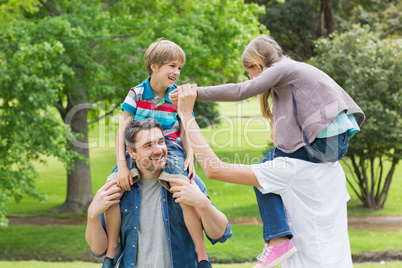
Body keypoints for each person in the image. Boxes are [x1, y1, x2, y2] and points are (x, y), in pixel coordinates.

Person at [170, 35, 364, 268]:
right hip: (333, 148)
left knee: (263, 170)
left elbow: (214, 167)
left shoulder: (281, 69)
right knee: (265, 167)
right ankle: (278, 238)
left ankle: (277, 240)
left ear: (258, 66)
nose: (249, 77)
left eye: (248, 71)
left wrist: (192, 101)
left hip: (321, 147)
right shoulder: (333, 171)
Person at [103, 39, 211, 267]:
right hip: (138, 147)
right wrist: (122, 165)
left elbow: (184, 127)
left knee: (183, 189)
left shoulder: (176, 96)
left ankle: (201, 254)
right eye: (172, 66)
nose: (177, 72)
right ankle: (112, 250)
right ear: (154, 66)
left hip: (169, 148)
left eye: (180, 67)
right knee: (112, 187)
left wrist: (189, 156)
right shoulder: (137, 93)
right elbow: (123, 128)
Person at [85, 118, 232, 268]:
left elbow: (220, 233)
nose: (158, 150)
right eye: (148, 145)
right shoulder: (120, 187)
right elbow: (98, 249)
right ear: (132, 153)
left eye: (161, 142)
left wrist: (203, 203)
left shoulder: (184, 179)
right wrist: (92, 215)